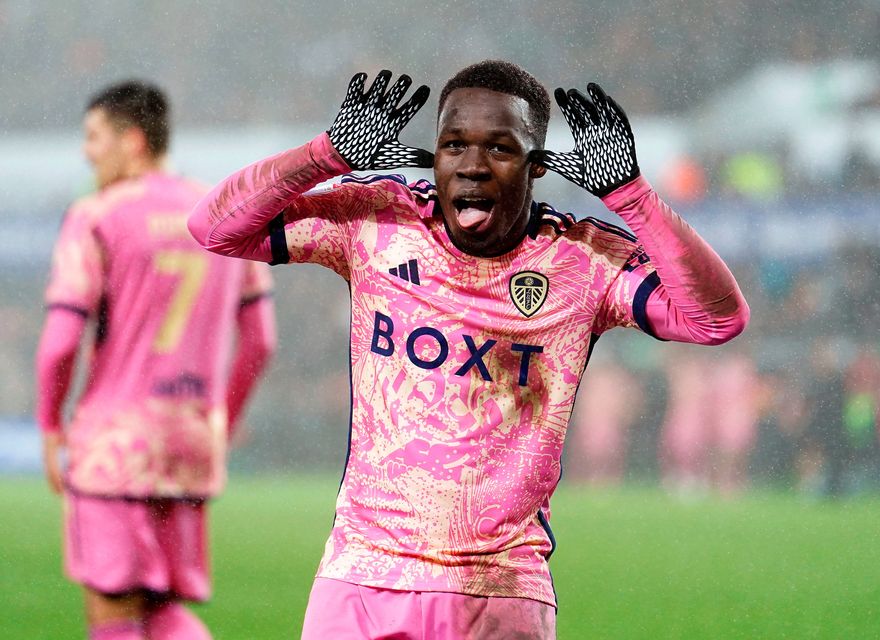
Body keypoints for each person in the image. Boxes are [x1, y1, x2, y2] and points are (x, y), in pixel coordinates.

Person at [189, 60, 749, 639]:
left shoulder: (583, 261)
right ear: (434, 154)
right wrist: (328, 154)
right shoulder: (379, 222)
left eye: (501, 149)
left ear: (537, 166)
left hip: (497, 589)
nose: (474, 166)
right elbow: (215, 228)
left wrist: (632, 197)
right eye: (454, 144)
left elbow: (716, 320)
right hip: (360, 578)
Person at [35, 80, 276, 640]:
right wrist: (223, 420)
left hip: (116, 441)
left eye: (94, 137)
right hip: (189, 441)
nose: (86, 151)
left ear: (133, 140)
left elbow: (60, 342)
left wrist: (50, 425)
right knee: (163, 606)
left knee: (114, 610)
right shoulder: (222, 211)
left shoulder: (95, 215)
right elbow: (261, 340)